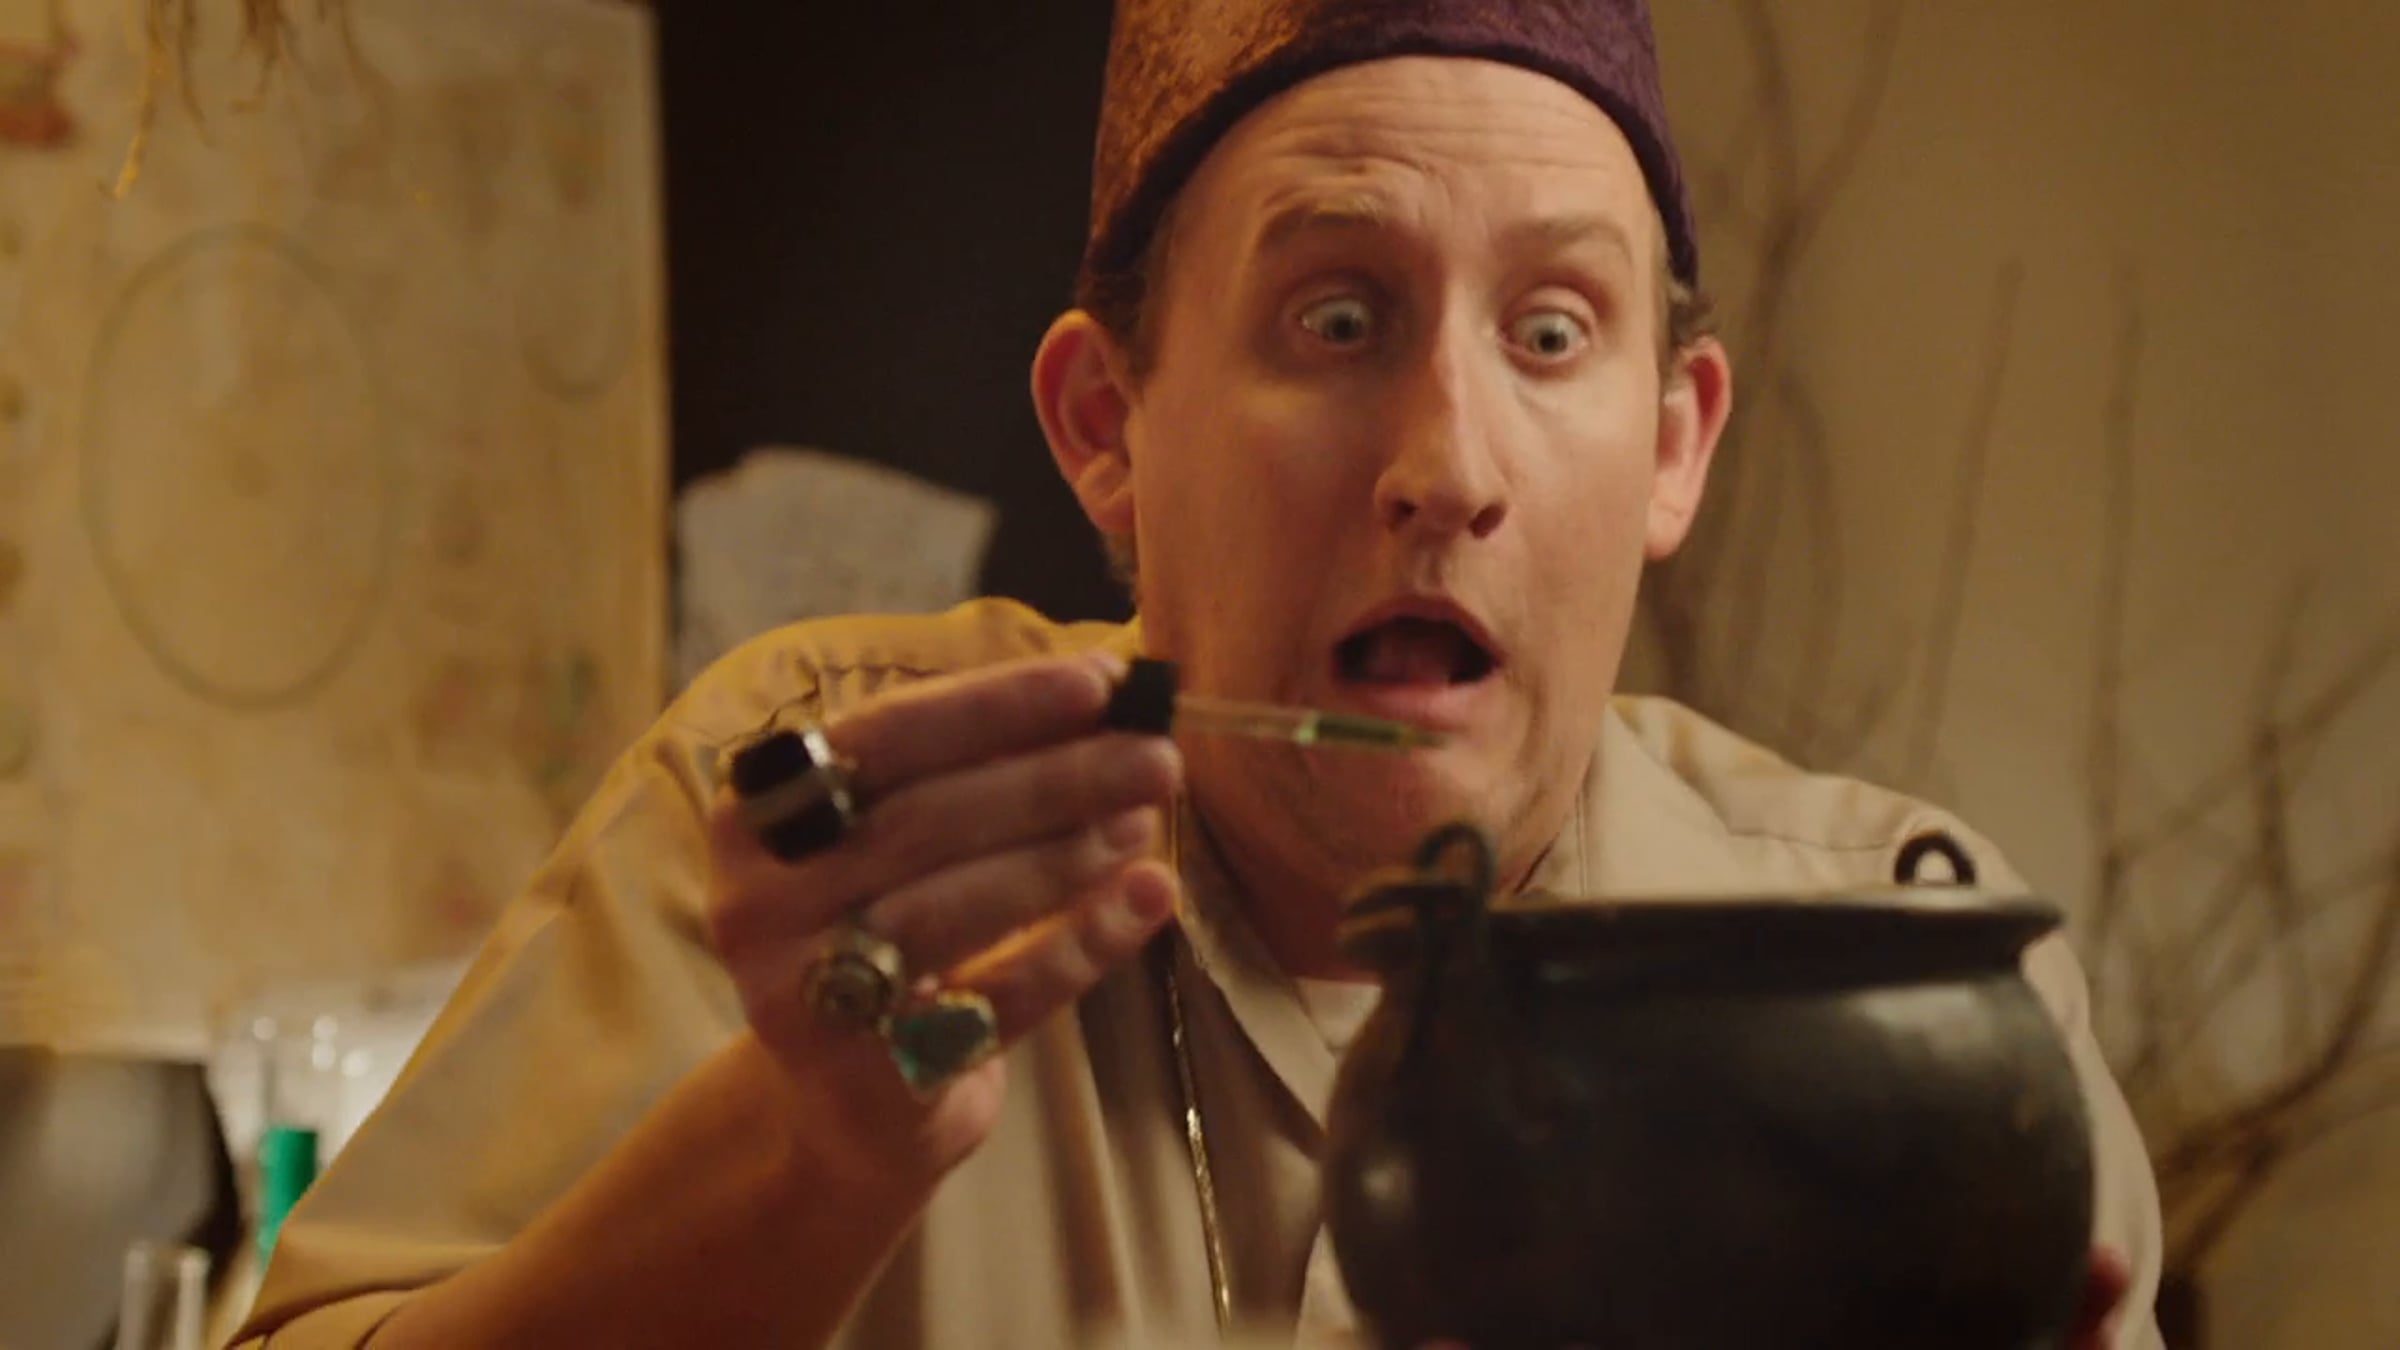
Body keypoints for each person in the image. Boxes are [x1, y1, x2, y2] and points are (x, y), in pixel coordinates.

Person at [233, 1, 2166, 1346]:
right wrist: (802, 1158)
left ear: (1675, 446)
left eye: (1553, 332)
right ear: (1108, 428)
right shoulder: (834, 818)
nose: (1449, 466)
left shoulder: (1905, 971)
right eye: (1336, 317)